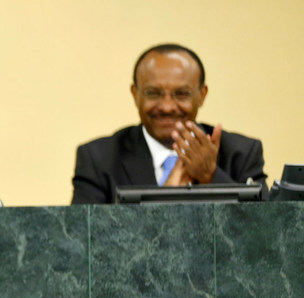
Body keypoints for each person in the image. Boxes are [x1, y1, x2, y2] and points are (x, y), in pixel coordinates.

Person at [71, 44, 267, 204]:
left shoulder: (241, 153)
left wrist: (211, 177)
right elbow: (84, 241)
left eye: (181, 94)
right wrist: (161, 202)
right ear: (135, 94)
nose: (167, 107)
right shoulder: (98, 158)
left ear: (202, 95)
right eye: (153, 93)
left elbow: (271, 233)